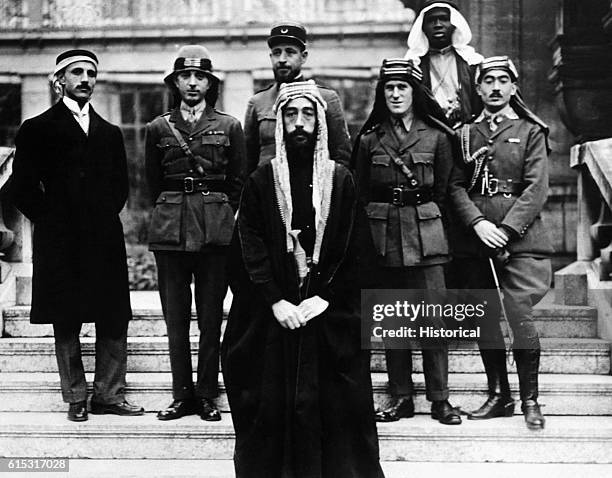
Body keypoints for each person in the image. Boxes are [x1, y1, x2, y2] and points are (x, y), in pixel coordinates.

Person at [222, 80, 384, 478]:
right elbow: (248, 247)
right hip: (275, 317)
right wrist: (276, 301)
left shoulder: (341, 179)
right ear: (279, 123)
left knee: (339, 406)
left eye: (307, 115)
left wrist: (326, 297)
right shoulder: (261, 181)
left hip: (327, 315)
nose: (299, 123)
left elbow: (355, 247)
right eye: (290, 115)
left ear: (320, 122)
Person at [9, 49, 144, 422]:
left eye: (91, 73)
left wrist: (99, 217)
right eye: (77, 73)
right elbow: (20, 188)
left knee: (113, 315)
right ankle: (76, 397)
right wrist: (50, 220)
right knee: (65, 317)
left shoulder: (110, 132)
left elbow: (120, 188)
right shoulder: (37, 128)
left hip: (103, 239)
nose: (85, 79)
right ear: (60, 80)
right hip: (60, 240)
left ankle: (110, 395)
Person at [352, 58, 461, 425]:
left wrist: (429, 224)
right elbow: (362, 191)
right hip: (383, 238)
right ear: (382, 94)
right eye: (389, 88)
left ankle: (440, 399)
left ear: (416, 92)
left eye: (403, 87)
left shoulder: (439, 137)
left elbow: (445, 192)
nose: (396, 94)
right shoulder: (370, 139)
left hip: (427, 237)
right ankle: (400, 397)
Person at [448, 56, 553, 430]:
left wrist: (506, 230)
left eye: (502, 80)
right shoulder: (463, 133)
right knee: (484, 319)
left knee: (520, 316)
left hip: (519, 242)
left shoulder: (531, 131)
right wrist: (476, 223)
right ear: (478, 89)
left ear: (513, 86)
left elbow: (537, 188)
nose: (495, 87)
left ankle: (530, 400)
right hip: (475, 240)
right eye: (488, 81)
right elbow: (455, 185)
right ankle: (498, 395)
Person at [145, 45, 245, 421]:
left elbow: (238, 182)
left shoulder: (229, 126)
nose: (191, 83)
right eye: (184, 77)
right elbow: (153, 183)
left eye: (199, 76)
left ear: (209, 83)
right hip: (170, 230)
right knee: (174, 319)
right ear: (175, 83)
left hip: (214, 231)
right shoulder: (158, 127)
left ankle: (206, 395)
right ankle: (180, 395)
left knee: (209, 318)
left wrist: (218, 213)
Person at [243, 21, 351, 174]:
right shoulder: (258, 102)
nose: (282, 59)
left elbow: (342, 158)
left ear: (303, 56)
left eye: (290, 52)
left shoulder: (326, 99)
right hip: (268, 190)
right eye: (276, 52)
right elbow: (247, 162)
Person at [405, 0, 483, 128]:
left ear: (454, 24)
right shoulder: (414, 64)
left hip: (466, 131)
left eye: (444, 19)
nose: (438, 25)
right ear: (423, 28)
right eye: (431, 20)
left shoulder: (472, 61)